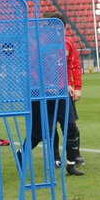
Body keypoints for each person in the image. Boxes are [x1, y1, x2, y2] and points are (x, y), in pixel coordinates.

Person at [20, 13, 84, 177]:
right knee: (40, 132)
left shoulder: (68, 43)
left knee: (71, 127)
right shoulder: (36, 45)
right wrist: (46, 86)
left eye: (60, 29)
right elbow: (31, 68)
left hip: (62, 93)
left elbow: (74, 65)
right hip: (40, 94)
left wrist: (76, 86)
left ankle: (70, 164)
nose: (57, 33)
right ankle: (22, 153)